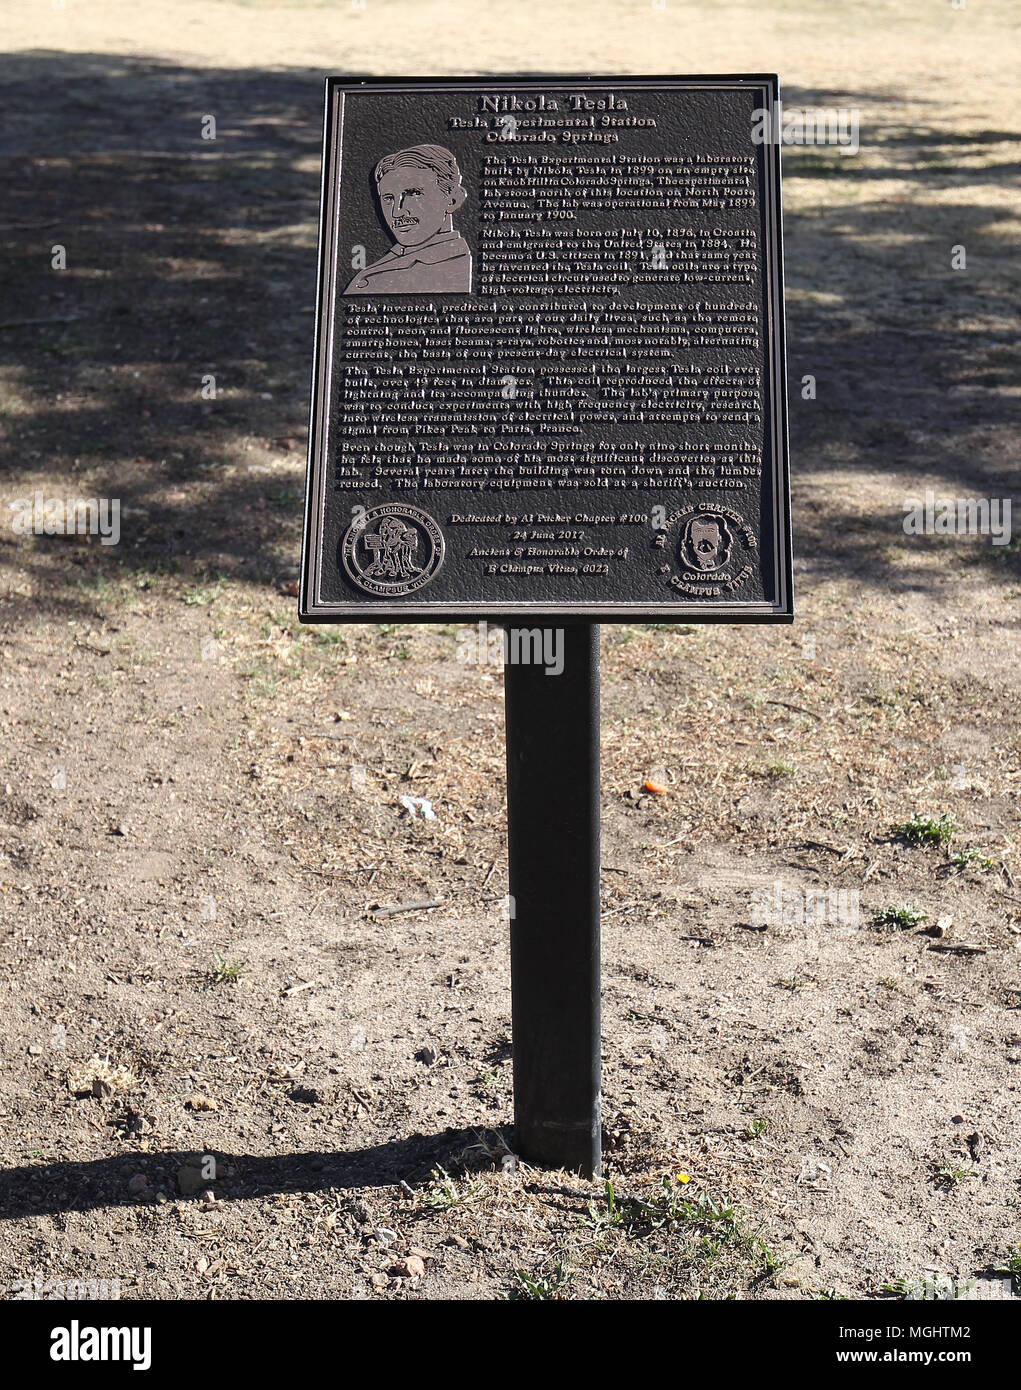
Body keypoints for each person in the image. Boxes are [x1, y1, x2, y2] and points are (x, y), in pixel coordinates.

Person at [344, 144, 472, 294]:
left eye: (413, 194)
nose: (397, 212)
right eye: (388, 198)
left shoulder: (454, 270)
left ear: (452, 200)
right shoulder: (383, 268)